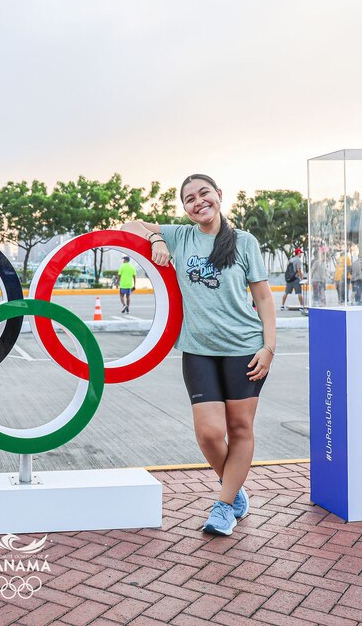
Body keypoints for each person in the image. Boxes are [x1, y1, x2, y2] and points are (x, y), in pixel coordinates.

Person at [120, 173, 276, 537]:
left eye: (204, 193)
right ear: (186, 208)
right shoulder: (181, 236)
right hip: (198, 350)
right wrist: (157, 236)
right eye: (189, 199)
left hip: (246, 349)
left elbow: (264, 298)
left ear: (219, 196)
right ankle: (233, 487)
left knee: (239, 429)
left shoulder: (244, 242)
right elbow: (129, 225)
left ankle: (224, 505)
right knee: (209, 433)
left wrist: (269, 347)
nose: (198, 201)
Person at [279, 248, 306, 313]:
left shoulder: (291, 260)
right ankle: (302, 306)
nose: (301, 254)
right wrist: (302, 278)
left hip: (289, 279)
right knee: (299, 293)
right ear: (298, 253)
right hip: (295, 279)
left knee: (286, 292)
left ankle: (282, 305)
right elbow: (298, 270)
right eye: (300, 253)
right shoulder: (298, 261)